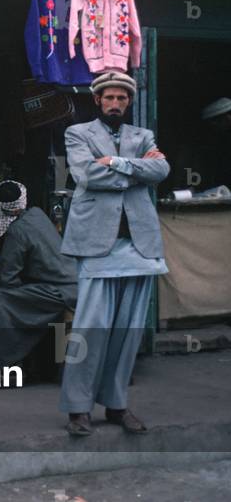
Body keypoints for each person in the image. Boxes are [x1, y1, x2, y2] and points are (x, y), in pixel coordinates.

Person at [59, 71, 169, 437]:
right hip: (96, 242)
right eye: (109, 98)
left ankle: (117, 404)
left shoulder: (143, 136)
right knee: (90, 328)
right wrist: (139, 171)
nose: (116, 104)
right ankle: (78, 408)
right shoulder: (78, 133)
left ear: (129, 102)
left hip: (139, 244)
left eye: (122, 98)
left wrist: (117, 163)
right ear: (98, 100)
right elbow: (86, 175)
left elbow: (162, 170)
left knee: (128, 330)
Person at [0, 180, 77, 370]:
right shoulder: (37, 213)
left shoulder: (16, 231)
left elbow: (8, 279)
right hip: (72, 285)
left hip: (58, 291)